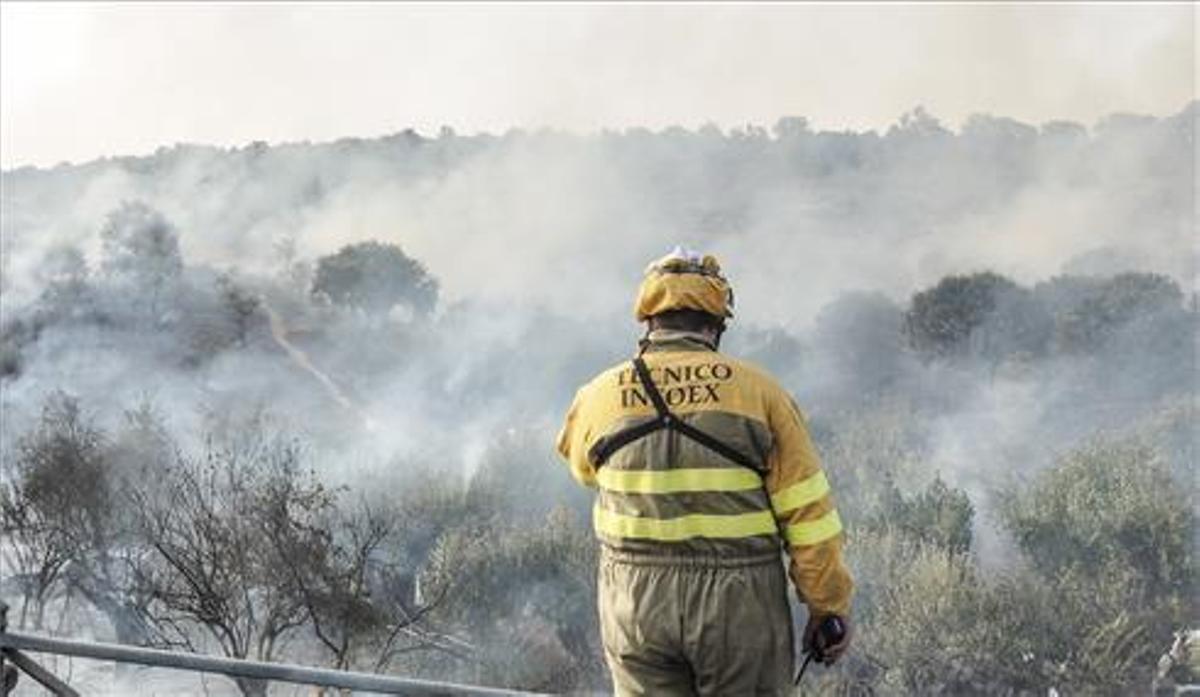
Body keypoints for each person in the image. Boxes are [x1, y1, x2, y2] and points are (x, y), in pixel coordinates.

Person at [556, 247, 854, 696]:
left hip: (634, 601)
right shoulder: (760, 394)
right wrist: (827, 606)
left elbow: (582, 469)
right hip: (739, 603)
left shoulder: (599, 395)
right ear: (717, 324)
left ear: (648, 321)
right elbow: (809, 517)